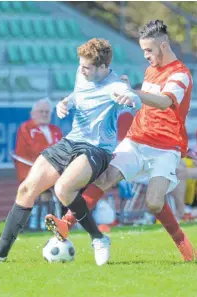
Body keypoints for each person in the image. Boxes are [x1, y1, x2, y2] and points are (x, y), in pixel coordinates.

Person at [0, 38, 141, 266]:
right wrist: (65, 103)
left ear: (102, 67)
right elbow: (77, 95)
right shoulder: (83, 74)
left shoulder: (116, 86)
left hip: (97, 148)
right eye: (80, 65)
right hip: (70, 141)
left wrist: (130, 98)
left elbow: (135, 101)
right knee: (27, 188)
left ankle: (99, 238)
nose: (81, 70)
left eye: (87, 67)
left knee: (63, 189)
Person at [48, 20, 197, 262]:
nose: (146, 56)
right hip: (137, 139)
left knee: (154, 202)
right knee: (105, 178)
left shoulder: (180, 73)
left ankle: (182, 242)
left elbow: (164, 102)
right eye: (143, 51)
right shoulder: (151, 70)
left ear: (164, 45)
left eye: (149, 50)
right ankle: (65, 224)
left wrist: (131, 92)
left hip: (165, 148)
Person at [12, 98, 63, 230]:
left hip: (53, 170)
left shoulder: (55, 130)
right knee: (44, 187)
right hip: (31, 169)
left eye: (47, 112)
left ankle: (67, 220)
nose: (44, 115)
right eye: (41, 111)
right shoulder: (26, 128)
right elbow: (35, 150)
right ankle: (38, 219)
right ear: (33, 113)